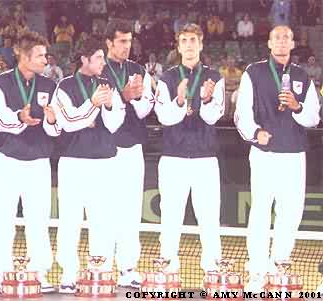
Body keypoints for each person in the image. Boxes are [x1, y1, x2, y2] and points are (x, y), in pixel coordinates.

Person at [234, 25, 320, 292]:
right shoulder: (254, 72)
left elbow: (314, 118)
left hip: (294, 154)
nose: (282, 42)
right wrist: (255, 132)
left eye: (287, 38)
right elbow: (241, 113)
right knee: (260, 212)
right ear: (269, 44)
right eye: (277, 38)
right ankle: (257, 272)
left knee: (291, 214)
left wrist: (297, 106)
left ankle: (279, 266)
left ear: (293, 44)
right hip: (265, 155)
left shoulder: (302, 75)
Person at [0, 30, 57, 294]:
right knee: (2, 219)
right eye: (40, 55)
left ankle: (40, 273)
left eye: (45, 55)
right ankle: (1, 273)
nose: (45, 60)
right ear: (23, 56)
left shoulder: (49, 85)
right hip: (6, 160)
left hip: (38, 162)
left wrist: (51, 121)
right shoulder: (1, 83)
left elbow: (56, 128)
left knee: (39, 220)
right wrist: (19, 119)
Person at [44, 35, 125, 293]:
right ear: (84, 60)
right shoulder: (65, 87)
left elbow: (115, 124)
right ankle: (68, 274)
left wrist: (109, 105)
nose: (103, 62)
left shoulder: (107, 83)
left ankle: (100, 272)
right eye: (99, 58)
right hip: (74, 162)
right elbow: (68, 122)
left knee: (104, 219)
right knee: (70, 220)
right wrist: (92, 106)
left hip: (105, 161)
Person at [154, 23, 224, 274]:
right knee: (170, 217)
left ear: (201, 44)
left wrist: (205, 100)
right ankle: (167, 270)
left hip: (205, 158)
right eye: (184, 40)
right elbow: (164, 117)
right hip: (173, 158)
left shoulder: (215, 77)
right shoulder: (167, 78)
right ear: (178, 45)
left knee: (209, 218)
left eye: (193, 40)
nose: (189, 45)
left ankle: (213, 270)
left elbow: (213, 117)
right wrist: (180, 100)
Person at [102, 19, 154, 288]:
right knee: (105, 210)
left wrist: (137, 96)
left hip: (133, 147)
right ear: (109, 42)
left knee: (131, 209)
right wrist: (123, 96)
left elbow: (146, 110)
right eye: (121, 41)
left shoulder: (138, 70)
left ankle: (128, 267)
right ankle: (102, 267)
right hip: (104, 151)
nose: (126, 46)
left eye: (129, 41)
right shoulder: (99, 70)